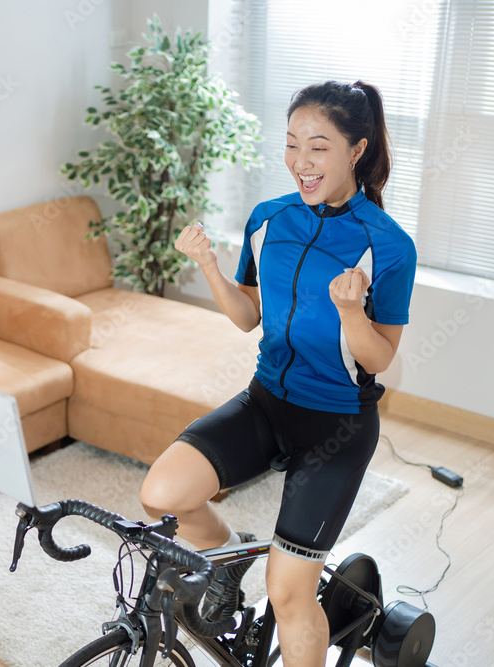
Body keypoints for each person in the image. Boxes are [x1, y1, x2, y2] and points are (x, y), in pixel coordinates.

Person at [140, 81, 417, 667]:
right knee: (161, 493)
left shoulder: (389, 245)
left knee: (288, 593)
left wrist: (349, 312)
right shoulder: (269, 220)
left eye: (318, 147)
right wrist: (210, 267)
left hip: (335, 428)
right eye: (292, 145)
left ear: (356, 150)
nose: (300, 162)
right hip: (265, 403)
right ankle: (227, 557)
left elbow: (380, 358)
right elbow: (248, 316)